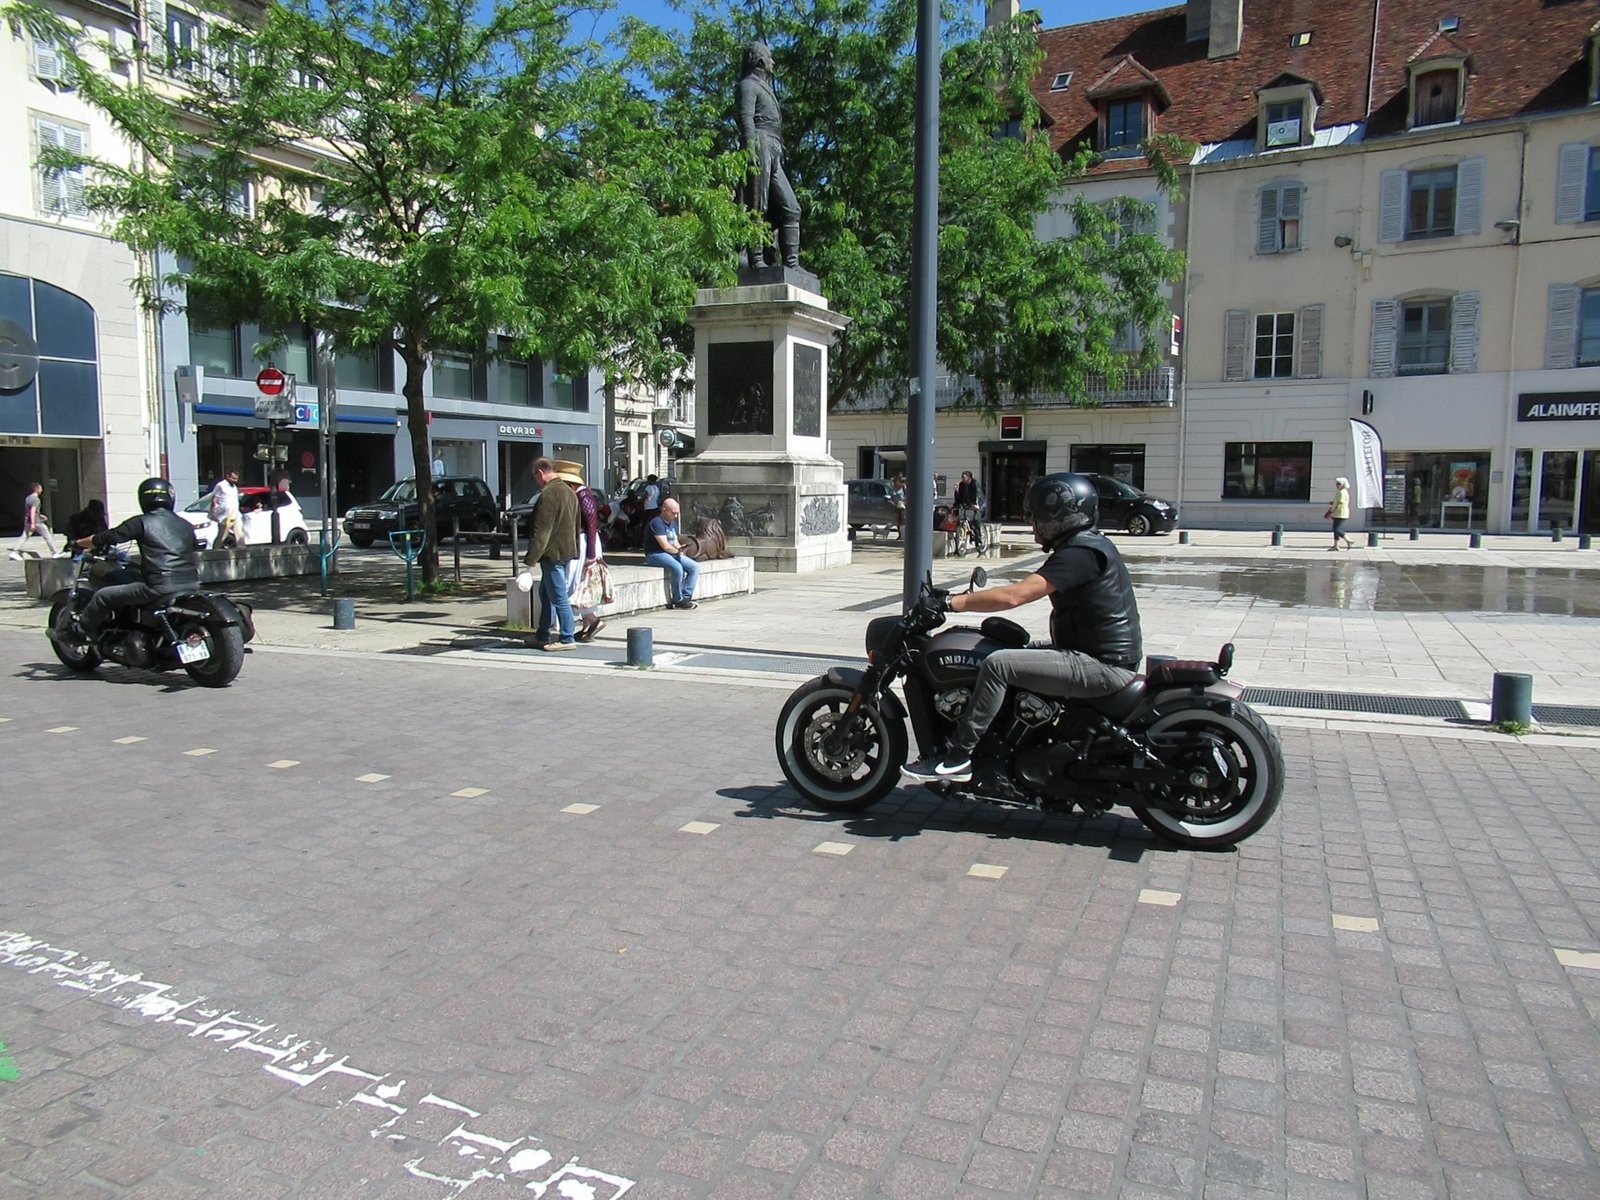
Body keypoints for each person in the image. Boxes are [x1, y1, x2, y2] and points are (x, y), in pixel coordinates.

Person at [902, 472, 1143, 784]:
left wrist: (952, 602)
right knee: (1010, 653)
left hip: (1101, 665)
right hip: (1098, 655)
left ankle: (959, 756)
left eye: (1037, 516)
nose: (1033, 525)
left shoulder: (1081, 554)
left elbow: (1015, 595)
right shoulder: (1087, 546)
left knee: (999, 665)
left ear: (1060, 517)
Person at [69, 478, 201, 640]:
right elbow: (192, 548)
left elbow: (110, 536)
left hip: (159, 586)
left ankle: (78, 632)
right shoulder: (185, 524)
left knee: (103, 596)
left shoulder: (141, 522)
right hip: (191, 583)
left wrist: (78, 543)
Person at [736, 39, 801, 270]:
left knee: (792, 209)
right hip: (760, 143)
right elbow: (745, 118)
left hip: (775, 150)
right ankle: (756, 259)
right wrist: (751, 149)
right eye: (770, 57)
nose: (773, 61)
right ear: (761, 60)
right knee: (757, 205)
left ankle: (792, 266)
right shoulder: (748, 85)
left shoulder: (765, 88)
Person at [522, 457, 579, 650]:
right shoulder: (570, 492)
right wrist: (575, 550)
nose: (536, 481)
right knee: (545, 594)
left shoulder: (548, 493)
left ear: (540, 473)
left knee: (558, 596)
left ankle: (567, 638)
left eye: (535, 477)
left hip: (552, 553)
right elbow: (576, 525)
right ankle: (542, 634)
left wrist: (530, 561)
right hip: (566, 551)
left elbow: (542, 530)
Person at [558, 461, 606, 643]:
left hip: (585, 544)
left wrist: (591, 554)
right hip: (583, 542)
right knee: (579, 583)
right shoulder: (582, 495)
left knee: (576, 581)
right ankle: (589, 623)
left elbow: (592, 526)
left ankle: (591, 620)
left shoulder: (583, 496)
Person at [644, 497, 700, 610]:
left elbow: (674, 541)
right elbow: (664, 545)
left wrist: (681, 549)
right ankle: (678, 599)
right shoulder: (656, 523)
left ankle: (686, 596)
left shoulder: (672, 523)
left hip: (670, 553)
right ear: (664, 510)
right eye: (673, 513)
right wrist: (677, 552)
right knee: (677, 568)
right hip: (656, 553)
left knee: (695, 567)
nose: (675, 516)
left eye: (677, 513)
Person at [10, 482, 64, 559]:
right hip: (36, 522)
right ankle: (54, 552)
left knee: (24, 536)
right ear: (36, 489)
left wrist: (40, 515)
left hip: (28, 520)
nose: (41, 490)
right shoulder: (36, 499)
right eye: (40, 488)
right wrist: (33, 523)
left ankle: (14, 552)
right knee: (47, 536)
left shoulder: (28, 498)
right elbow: (32, 510)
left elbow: (30, 511)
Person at [208, 469, 244, 548]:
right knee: (223, 534)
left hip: (236, 513)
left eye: (236, 479)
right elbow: (214, 499)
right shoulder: (220, 485)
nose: (235, 480)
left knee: (240, 533)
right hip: (226, 514)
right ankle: (215, 550)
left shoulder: (234, 487)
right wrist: (213, 512)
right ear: (228, 476)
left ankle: (242, 550)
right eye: (233, 478)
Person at [954, 470, 986, 553]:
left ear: (969, 478)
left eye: (964, 477)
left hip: (979, 504)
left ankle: (979, 540)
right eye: (962, 477)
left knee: (976, 520)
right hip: (968, 504)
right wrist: (956, 491)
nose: (962, 479)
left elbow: (978, 494)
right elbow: (959, 497)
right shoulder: (961, 485)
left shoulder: (975, 484)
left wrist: (976, 504)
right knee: (962, 518)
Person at [1326, 476, 1353, 551]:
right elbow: (1337, 502)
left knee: (1337, 529)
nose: (1337, 485)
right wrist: (1333, 502)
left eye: (1339, 484)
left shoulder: (1342, 492)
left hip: (1340, 513)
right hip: (1338, 512)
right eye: (1336, 483)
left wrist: (1332, 512)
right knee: (1335, 529)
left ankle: (1348, 540)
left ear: (1343, 484)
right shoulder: (1340, 492)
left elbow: (1340, 504)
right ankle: (1336, 545)